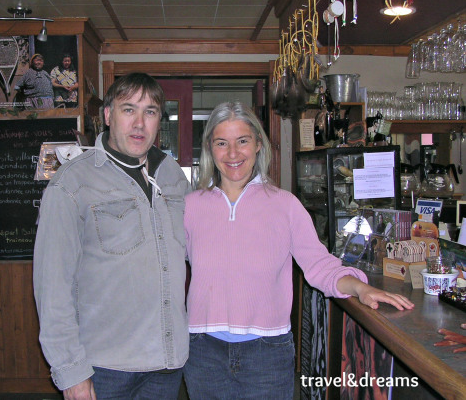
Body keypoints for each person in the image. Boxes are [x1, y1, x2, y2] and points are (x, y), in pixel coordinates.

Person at [182, 101, 414, 400]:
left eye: (242, 141)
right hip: (203, 351)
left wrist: (359, 288)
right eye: (221, 143)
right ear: (210, 149)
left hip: (267, 352)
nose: (233, 153)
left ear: (258, 146)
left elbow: (319, 264)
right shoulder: (189, 208)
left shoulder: (285, 205)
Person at [33, 73, 191, 399]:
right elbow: (53, 290)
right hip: (104, 369)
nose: (139, 123)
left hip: (167, 363)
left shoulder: (173, 176)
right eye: (128, 109)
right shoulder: (71, 184)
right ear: (108, 115)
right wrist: (71, 372)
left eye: (150, 112)